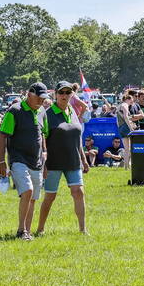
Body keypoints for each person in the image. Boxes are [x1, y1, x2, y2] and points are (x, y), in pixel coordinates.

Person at [36, 81, 90, 235]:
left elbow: (77, 137)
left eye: (68, 92)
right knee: (50, 196)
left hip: (73, 161)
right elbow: (41, 139)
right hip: (53, 162)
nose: (64, 95)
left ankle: (82, 230)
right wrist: (43, 163)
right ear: (55, 95)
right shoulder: (47, 114)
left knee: (78, 192)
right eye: (61, 92)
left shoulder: (72, 111)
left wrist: (84, 159)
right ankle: (40, 229)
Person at [0, 83, 49, 241]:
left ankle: (27, 230)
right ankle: (21, 230)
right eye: (38, 97)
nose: (41, 100)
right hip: (18, 159)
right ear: (29, 94)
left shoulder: (42, 112)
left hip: (37, 161)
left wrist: (45, 157)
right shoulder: (15, 111)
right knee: (27, 190)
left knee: (33, 197)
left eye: (43, 98)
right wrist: (1, 161)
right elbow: (2, 136)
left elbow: (43, 135)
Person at [116, 92, 137, 169]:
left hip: (121, 127)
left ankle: (126, 166)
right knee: (129, 149)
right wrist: (131, 127)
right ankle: (127, 166)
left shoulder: (119, 106)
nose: (132, 102)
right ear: (128, 99)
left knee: (126, 149)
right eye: (131, 100)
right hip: (126, 127)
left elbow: (118, 120)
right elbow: (126, 117)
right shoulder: (125, 105)